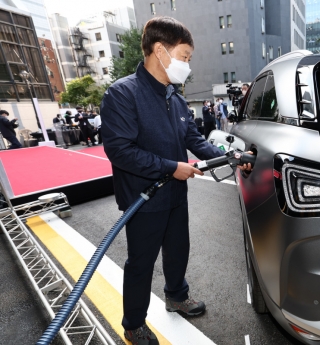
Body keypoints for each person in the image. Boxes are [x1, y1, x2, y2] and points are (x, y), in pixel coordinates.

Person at [100, 16, 251, 345]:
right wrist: (172, 166)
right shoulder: (123, 94)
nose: (187, 65)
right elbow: (120, 151)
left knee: (178, 249)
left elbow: (194, 139)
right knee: (141, 262)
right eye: (184, 56)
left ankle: (176, 295)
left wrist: (230, 157)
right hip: (143, 199)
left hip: (174, 194)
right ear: (160, 51)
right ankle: (133, 323)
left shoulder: (175, 97)